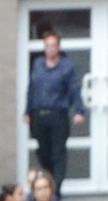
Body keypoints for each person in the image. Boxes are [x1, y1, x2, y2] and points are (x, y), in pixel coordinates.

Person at [25, 28, 85, 185]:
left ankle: (56, 190)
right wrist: (27, 111)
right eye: (47, 45)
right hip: (39, 115)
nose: (50, 49)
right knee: (43, 152)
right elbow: (32, 88)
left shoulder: (67, 67)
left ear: (58, 48)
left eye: (53, 45)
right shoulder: (38, 64)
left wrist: (79, 110)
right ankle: (48, 183)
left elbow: (74, 89)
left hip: (58, 115)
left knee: (58, 153)